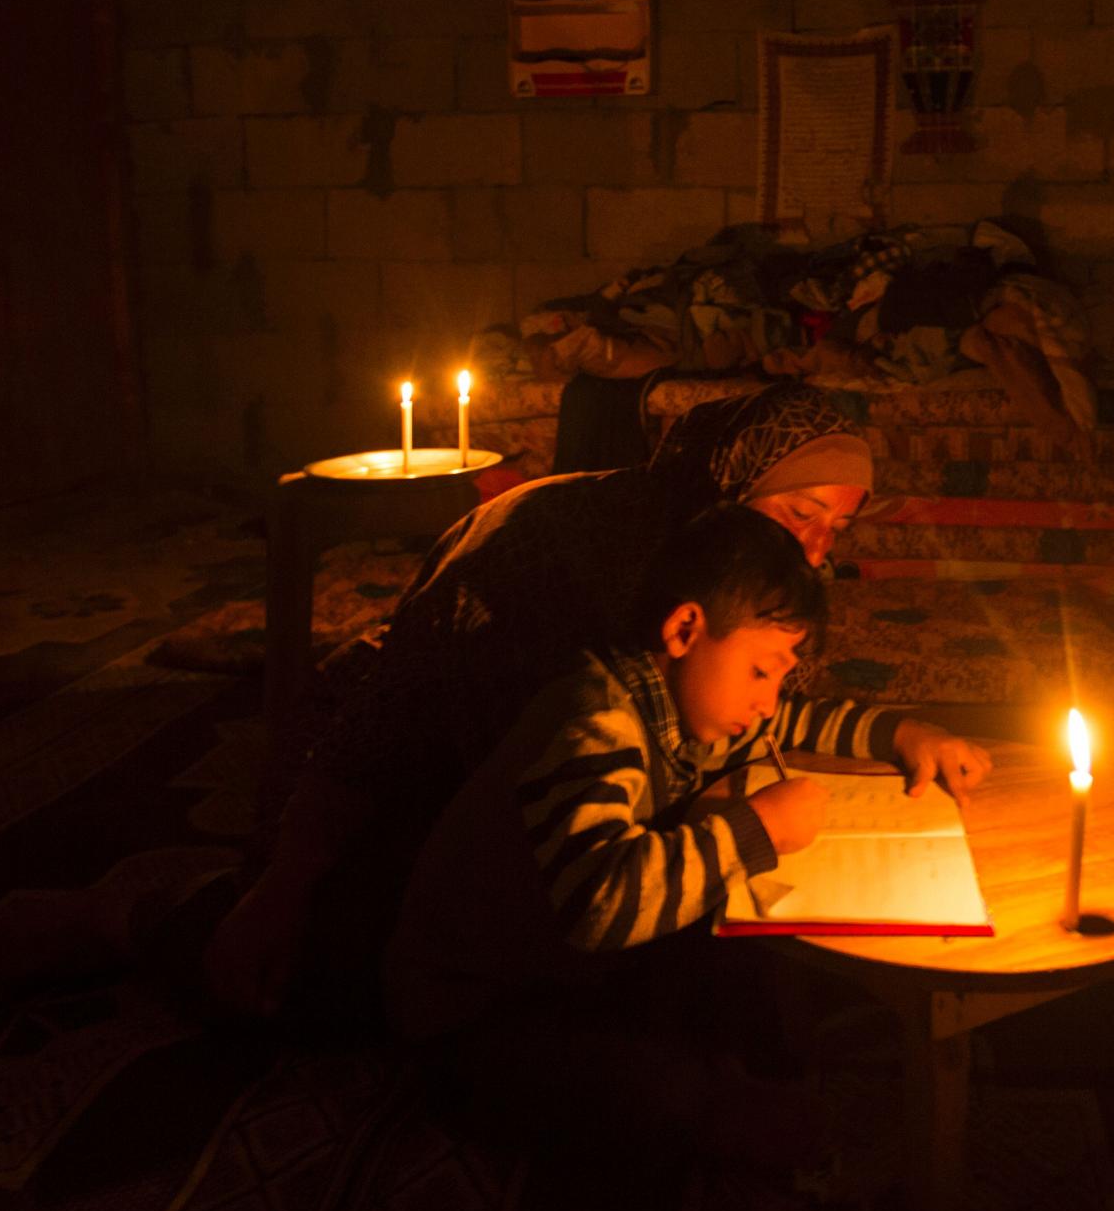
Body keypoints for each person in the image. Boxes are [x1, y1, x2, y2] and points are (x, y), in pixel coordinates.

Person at [206, 381, 907, 1021]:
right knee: (315, 988)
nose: (815, 549)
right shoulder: (559, 556)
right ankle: (141, 910)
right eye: (800, 512)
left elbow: (759, 714)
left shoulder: (740, 575)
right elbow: (384, 721)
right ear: (728, 481)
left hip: (566, 834)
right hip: (425, 806)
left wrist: (893, 736)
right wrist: (287, 881)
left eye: (835, 529)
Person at [384, 506, 992, 1211]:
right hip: (473, 1014)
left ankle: (748, 1087)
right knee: (660, 1096)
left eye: (781, 674)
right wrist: (757, 826)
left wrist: (904, 730)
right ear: (682, 631)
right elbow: (600, 902)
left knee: (732, 963)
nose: (769, 698)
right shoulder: (594, 719)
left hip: (568, 977)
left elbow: (799, 720)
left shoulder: (687, 700)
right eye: (761, 669)